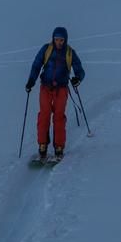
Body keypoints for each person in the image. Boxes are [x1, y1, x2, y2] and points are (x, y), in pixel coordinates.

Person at [25, 26, 84, 162]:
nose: (59, 42)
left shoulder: (70, 53)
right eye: (56, 39)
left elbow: (79, 68)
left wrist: (78, 78)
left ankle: (59, 147)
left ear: (65, 40)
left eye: (61, 40)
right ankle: (42, 145)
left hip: (61, 89)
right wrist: (31, 81)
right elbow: (36, 65)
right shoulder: (46, 49)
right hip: (45, 87)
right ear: (53, 38)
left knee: (58, 117)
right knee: (44, 115)